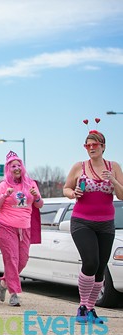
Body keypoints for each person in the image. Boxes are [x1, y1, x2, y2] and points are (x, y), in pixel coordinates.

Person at [63, 129, 123, 323]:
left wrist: (112, 180)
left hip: (106, 224)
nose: (90, 148)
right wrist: (73, 194)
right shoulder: (79, 167)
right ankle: (82, 305)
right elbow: (66, 188)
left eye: (94, 145)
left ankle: (90, 308)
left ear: (103, 147)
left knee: (100, 267)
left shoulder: (114, 166)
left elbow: (122, 195)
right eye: (87, 145)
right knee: (90, 262)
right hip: (82, 221)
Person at [0, 151, 43, 307]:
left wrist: (37, 196)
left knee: (23, 260)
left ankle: (3, 283)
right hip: (4, 225)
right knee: (12, 259)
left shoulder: (30, 184)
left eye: (19, 165)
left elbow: (39, 204)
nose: (17, 168)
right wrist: (4, 196)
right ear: (8, 168)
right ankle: (14, 294)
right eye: (13, 166)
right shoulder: (3, 185)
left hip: (24, 227)